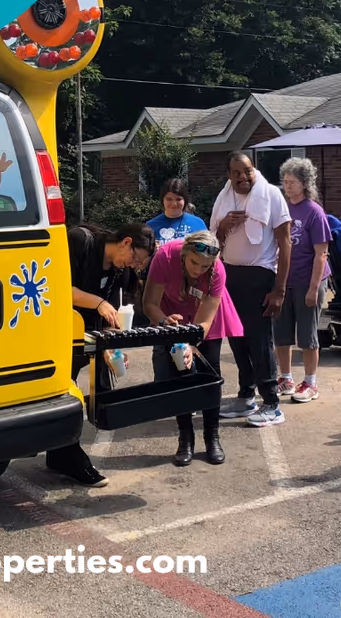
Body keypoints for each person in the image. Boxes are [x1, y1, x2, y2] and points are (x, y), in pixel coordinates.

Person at [45, 222, 156, 486]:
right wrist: (99, 302)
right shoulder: (80, 242)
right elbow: (59, 287)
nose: (132, 265)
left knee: (71, 392)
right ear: (126, 242)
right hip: (59, 334)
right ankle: (67, 454)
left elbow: (112, 314)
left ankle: (59, 452)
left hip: (87, 337)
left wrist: (113, 346)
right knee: (64, 391)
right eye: (134, 258)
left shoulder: (119, 270)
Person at [142, 231, 243, 465]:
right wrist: (167, 324)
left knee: (210, 372)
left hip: (203, 318)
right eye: (194, 263)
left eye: (205, 265)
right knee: (181, 375)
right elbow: (149, 304)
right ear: (184, 254)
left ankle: (212, 436)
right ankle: (185, 438)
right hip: (170, 314)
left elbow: (205, 321)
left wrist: (190, 343)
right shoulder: (166, 257)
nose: (199, 269)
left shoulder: (217, 270)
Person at [210, 153, 292, 427]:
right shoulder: (224, 199)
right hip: (229, 275)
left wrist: (279, 290)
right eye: (236, 173)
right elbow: (215, 238)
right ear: (229, 175)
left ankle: (272, 403)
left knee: (259, 342)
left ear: (254, 170)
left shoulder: (271, 195)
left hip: (260, 274)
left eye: (247, 171)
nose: (243, 177)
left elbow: (285, 242)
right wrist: (223, 225)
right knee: (236, 339)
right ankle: (246, 396)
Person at [274, 158, 331, 403]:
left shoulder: (314, 212)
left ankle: (310, 382)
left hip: (308, 280)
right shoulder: (283, 209)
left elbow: (321, 254)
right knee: (281, 333)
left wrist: (313, 288)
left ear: (305, 183)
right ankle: (285, 378)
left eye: (292, 182)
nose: (287, 186)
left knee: (307, 336)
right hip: (284, 280)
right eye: (285, 181)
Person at [147, 178, 208, 247]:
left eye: (178, 199)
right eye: (169, 199)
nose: (174, 204)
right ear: (162, 200)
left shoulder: (197, 223)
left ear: (185, 200)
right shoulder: (150, 226)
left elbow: (208, 252)